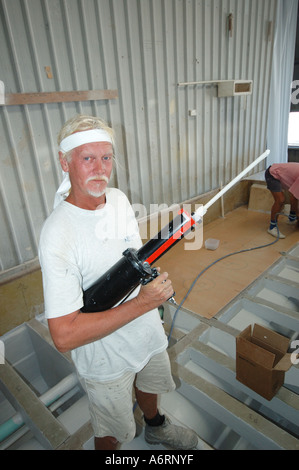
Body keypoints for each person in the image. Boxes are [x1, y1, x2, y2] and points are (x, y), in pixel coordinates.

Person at [38, 114, 198, 451]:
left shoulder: (120, 199)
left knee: (150, 379)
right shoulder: (58, 234)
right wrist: (144, 303)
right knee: (111, 429)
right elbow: (64, 335)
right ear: (64, 162)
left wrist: (149, 281)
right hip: (104, 355)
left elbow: (134, 258)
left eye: (106, 157)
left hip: (145, 330)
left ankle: (155, 426)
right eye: (87, 158)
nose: (100, 168)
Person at [265, 163, 299, 239]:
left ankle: (292, 218)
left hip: (279, 171)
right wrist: (298, 214)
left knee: (295, 196)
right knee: (280, 200)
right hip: (272, 174)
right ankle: (272, 227)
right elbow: (293, 198)